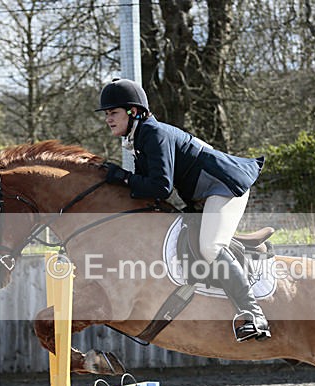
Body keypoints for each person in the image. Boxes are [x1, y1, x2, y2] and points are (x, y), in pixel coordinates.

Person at [96, 78, 270, 342]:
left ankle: (253, 314)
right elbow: (146, 192)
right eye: (107, 114)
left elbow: (160, 187)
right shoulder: (141, 139)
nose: (108, 119)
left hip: (225, 186)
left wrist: (123, 177)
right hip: (204, 194)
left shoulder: (153, 134)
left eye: (113, 113)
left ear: (133, 112)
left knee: (210, 247)